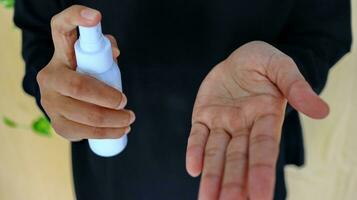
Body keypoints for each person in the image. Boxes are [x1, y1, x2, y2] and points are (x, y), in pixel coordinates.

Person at [13, 0, 351, 199]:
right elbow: (41, 39)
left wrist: (283, 75)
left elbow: (324, 31)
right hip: (114, 182)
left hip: (243, 164)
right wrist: (59, 93)